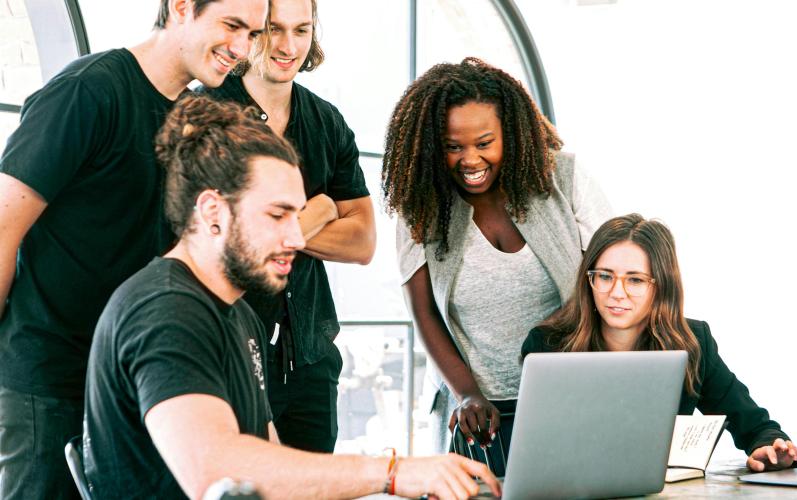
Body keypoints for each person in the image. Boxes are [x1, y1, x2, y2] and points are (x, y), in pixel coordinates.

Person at [82, 94, 500, 500]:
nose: (297, 237)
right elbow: (219, 474)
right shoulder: (165, 312)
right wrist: (393, 473)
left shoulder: (238, 315)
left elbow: (274, 466)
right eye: (278, 215)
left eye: (297, 215)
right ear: (212, 212)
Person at [0, 0, 266, 496]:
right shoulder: (88, 91)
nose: (242, 48)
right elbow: (2, 227)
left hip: (135, 383)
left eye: (253, 33)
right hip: (51, 381)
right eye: (232, 26)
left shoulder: (194, 119)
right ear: (181, 8)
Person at [382, 57, 613, 454]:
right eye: (453, 147)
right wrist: (467, 394)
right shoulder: (420, 204)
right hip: (476, 413)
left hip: (569, 395)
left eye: (484, 143)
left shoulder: (565, 179)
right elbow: (424, 313)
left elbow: (612, 280)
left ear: (512, 133)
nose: (470, 160)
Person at [201, 0, 375, 453]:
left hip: (310, 360)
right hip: (227, 355)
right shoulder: (203, 113)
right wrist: (319, 210)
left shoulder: (328, 123)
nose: (288, 45)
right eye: (273, 29)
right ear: (248, 31)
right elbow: (220, 237)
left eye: (302, 30)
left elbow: (362, 242)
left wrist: (275, 227)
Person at [521, 214, 797, 472]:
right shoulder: (548, 345)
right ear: (589, 281)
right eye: (605, 276)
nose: (616, 293)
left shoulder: (693, 343)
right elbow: (535, 448)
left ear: (661, 286)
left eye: (635, 280)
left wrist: (769, 447)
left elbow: (754, 424)